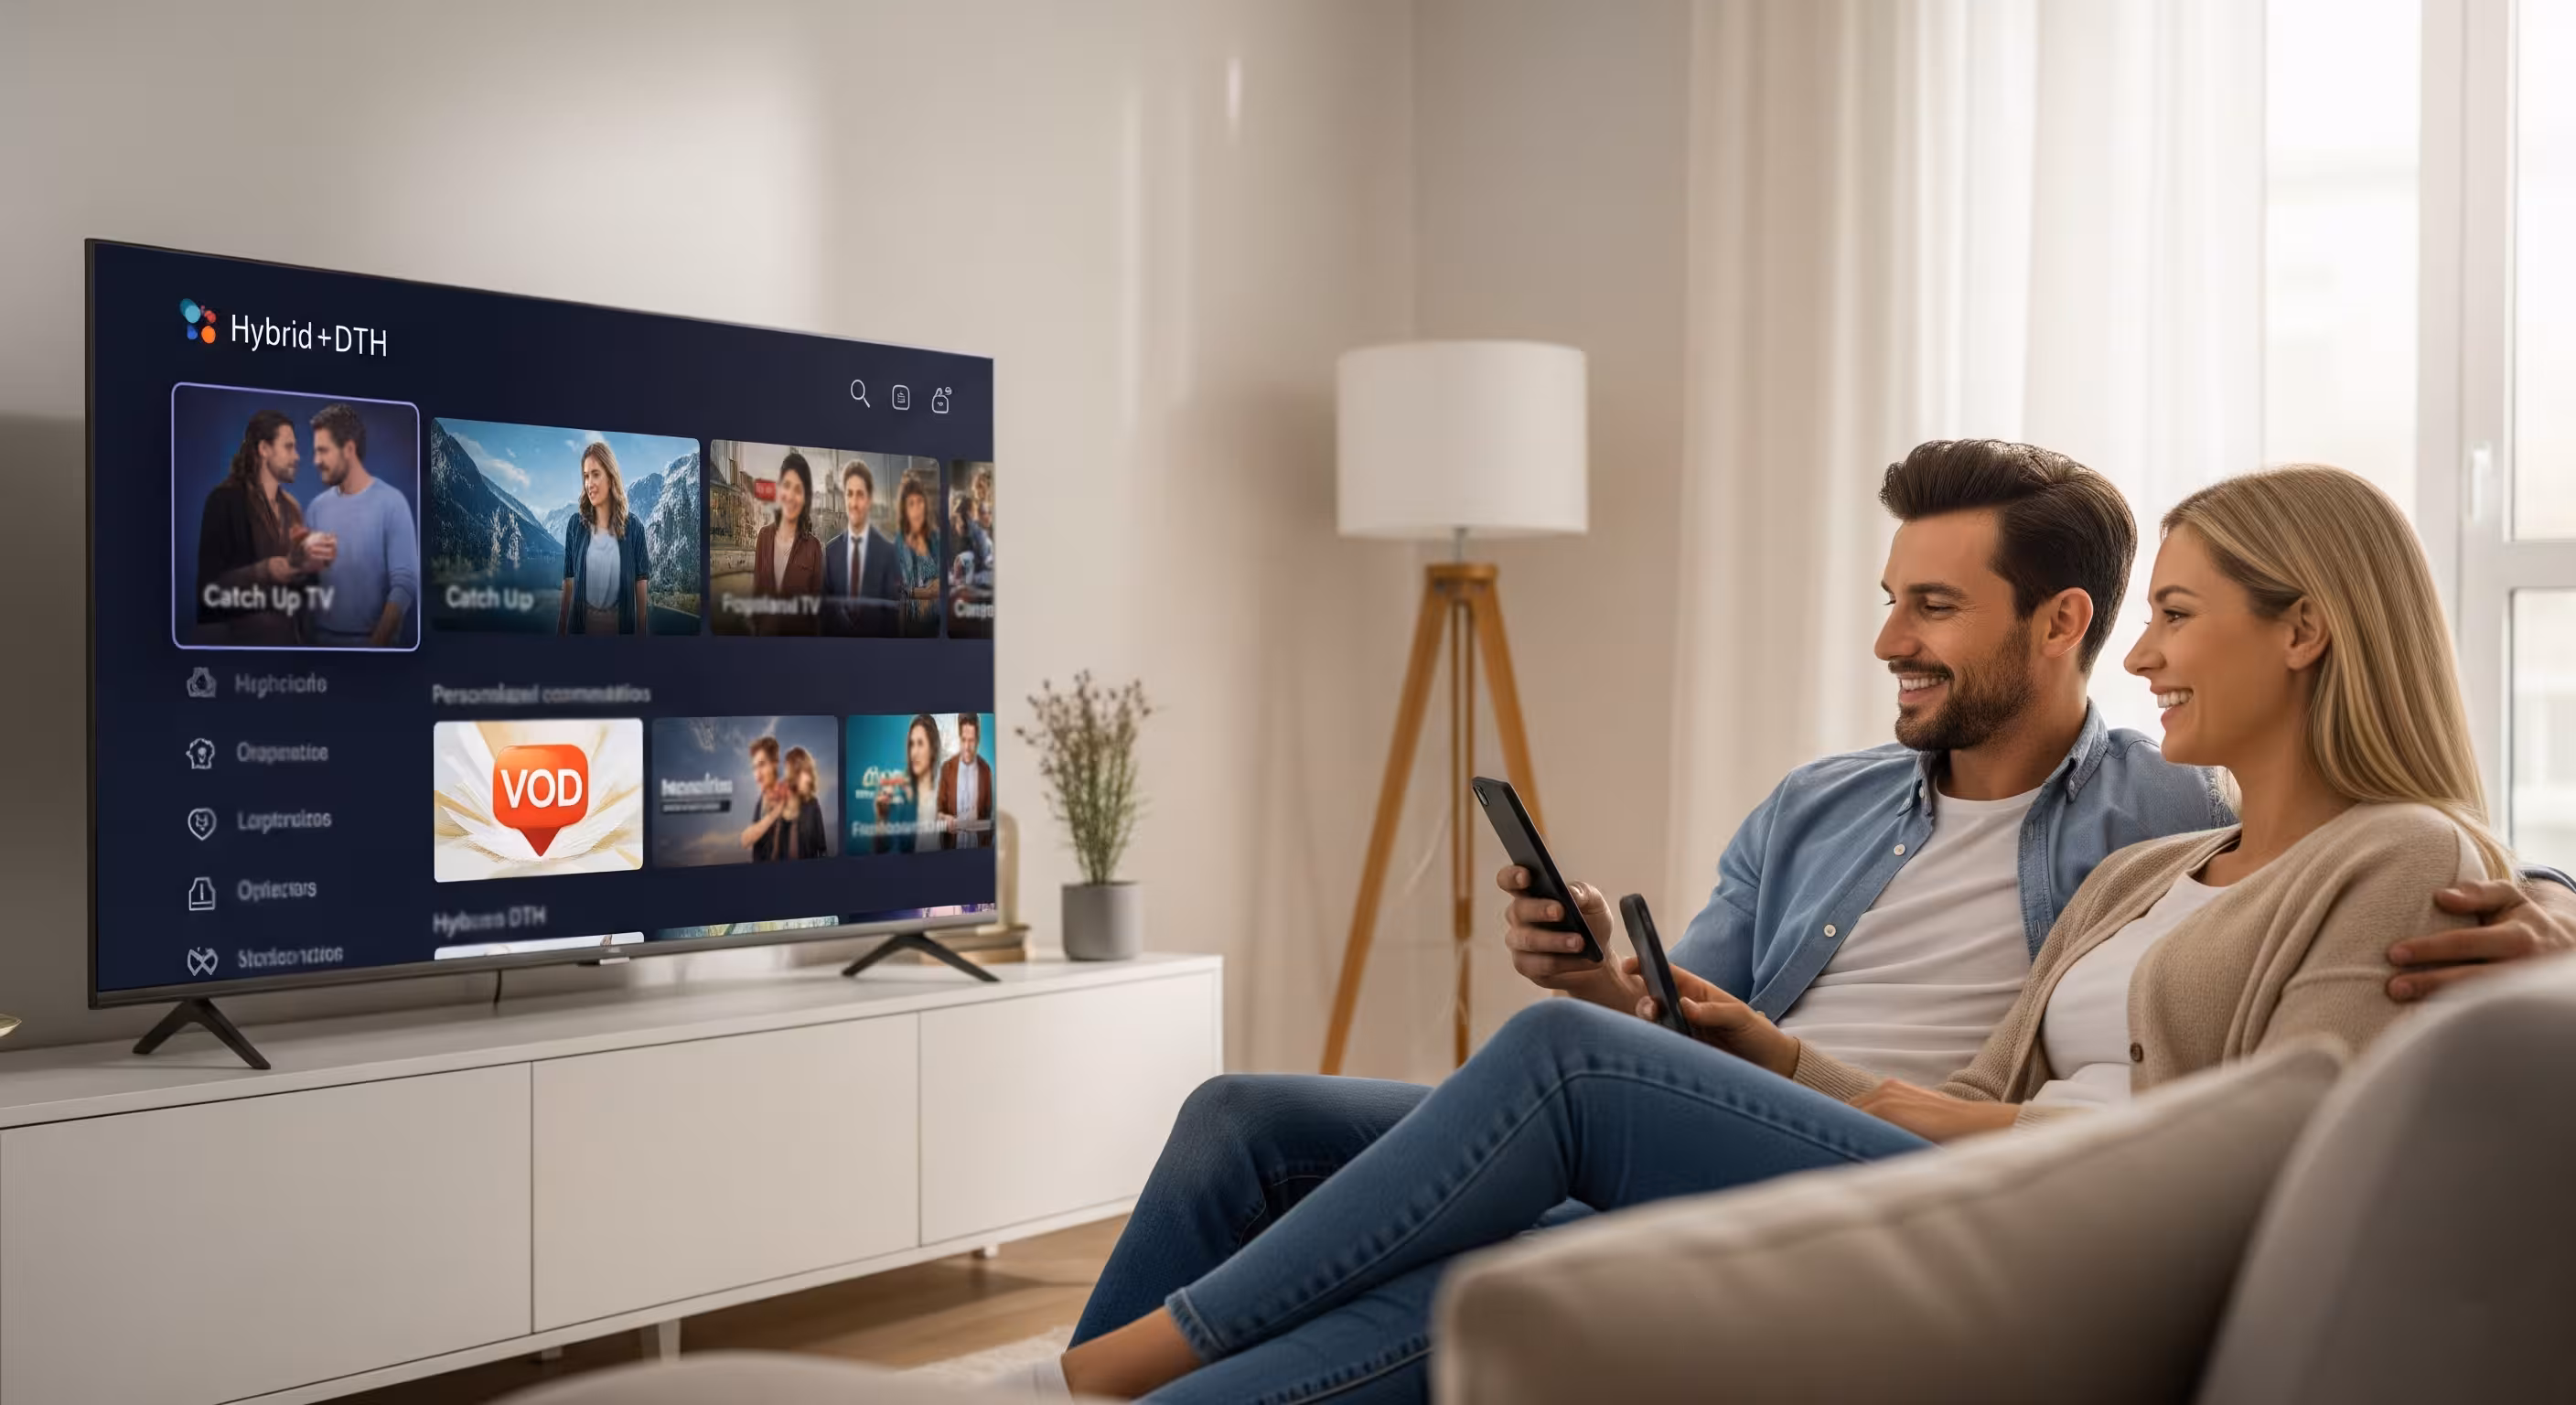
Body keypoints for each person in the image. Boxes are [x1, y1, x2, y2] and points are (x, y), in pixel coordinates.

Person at [1039, 445, 2576, 1403]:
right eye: (1889, 598)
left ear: (2061, 629)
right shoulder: (2050, 858)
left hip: (2030, 1219)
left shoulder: (2179, 816)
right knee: (1256, 1112)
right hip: (1803, 1116)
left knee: (1558, 1095)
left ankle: (1122, 1366)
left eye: (1933, 607)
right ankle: (1110, 1375)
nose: (1886, 640)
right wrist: (1666, 1003)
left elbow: (2367, 1034)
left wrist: (2565, 927)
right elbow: (1915, 1065)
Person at [193, 408, 327, 646]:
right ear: (264, 449)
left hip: (291, 653)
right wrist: (265, 571)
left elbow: (302, 595)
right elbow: (208, 592)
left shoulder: (292, 507)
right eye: (289, 447)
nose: (297, 456)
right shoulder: (223, 500)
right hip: (240, 656)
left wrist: (310, 568)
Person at [304, 402, 418, 648]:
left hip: (376, 659)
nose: (315, 461)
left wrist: (373, 648)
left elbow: (405, 583)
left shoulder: (392, 503)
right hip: (320, 657)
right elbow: (307, 587)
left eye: (323, 451)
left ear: (348, 449)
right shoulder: (316, 508)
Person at [558, 440, 653, 636]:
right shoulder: (575, 526)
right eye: (585, 476)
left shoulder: (635, 528)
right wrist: (560, 631)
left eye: (595, 474)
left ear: (611, 478)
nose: (589, 483)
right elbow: (568, 581)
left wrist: (642, 634)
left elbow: (641, 582)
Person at [822, 458, 906, 636]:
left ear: (869, 499)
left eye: (860, 494)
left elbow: (892, 623)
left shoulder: (888, 554)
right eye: (849, 494)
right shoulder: (831, 553)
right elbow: (824, 616)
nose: (854, 503)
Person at [751, 452, 823, 637]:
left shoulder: (814, 548)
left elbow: (817, 612)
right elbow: (757, 596)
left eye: (798, 490)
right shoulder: (764, 537)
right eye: (787, 486)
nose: (791, 496)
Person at [870, 713, 945, 855]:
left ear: (933, 748)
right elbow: (880, 849)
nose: (914, 752)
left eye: (920, 743)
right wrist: (881, 818)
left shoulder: (945, 791)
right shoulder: (900, 793)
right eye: (911, 744)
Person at [894, 472, 944, 637]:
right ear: (904, 509)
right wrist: (924, 593)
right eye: (911, 504)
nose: (917, 509)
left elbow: (945, 584)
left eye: (920, 502)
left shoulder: (936, 538)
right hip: (910, 626)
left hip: (938, 625)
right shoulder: (898, 543)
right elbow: (896, 589)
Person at [936, 713, 995, 850]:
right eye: (963, 740)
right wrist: (945, 819)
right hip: (952, 848)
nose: (967, 747)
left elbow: (987, 812)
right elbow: (938, 812)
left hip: (977, 848)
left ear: (978, 740)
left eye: (972, 740)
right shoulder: (947, 769)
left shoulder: (986, 770)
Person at [738, 735, 790, 862]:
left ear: (775, 764)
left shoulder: (790, 796)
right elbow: (745, 840)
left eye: (762, 765)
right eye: (754, 768)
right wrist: (774, 814)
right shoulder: (761, 802)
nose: (757, 774)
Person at [782, 745, 830, 860]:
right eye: (801, 772)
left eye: (808, 771)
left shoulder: (813, 804)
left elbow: (822, 847)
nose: (808, 778)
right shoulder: (780, 804)